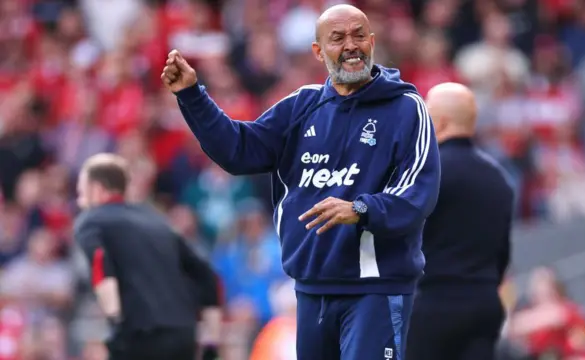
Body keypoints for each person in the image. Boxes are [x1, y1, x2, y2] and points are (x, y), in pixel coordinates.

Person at [161, 4, 441, 360]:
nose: (351, 45)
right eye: (338, 38)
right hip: (310, 291)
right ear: (318, 51)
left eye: (359, 36)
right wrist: (191, 96)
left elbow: (419, 193)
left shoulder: (406, 108)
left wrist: (361, 209)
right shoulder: (300, 107)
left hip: (376, 289)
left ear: (372, 42)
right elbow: (238, 151)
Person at [73, 153, 222, 360]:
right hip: (183, 334)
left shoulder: (91, 220)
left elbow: (101, 265)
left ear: (97, 189)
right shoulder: (157, 220)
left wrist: (116, 323)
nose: (79, 198)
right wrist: (212, 340)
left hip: (140, 334)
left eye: (81, 191)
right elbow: (205, 273)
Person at [405, 83, 514, 360]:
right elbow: (502, 253)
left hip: (435, 304)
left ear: (439, 123)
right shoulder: (497, 178)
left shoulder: (428, 172)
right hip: (485, 303)